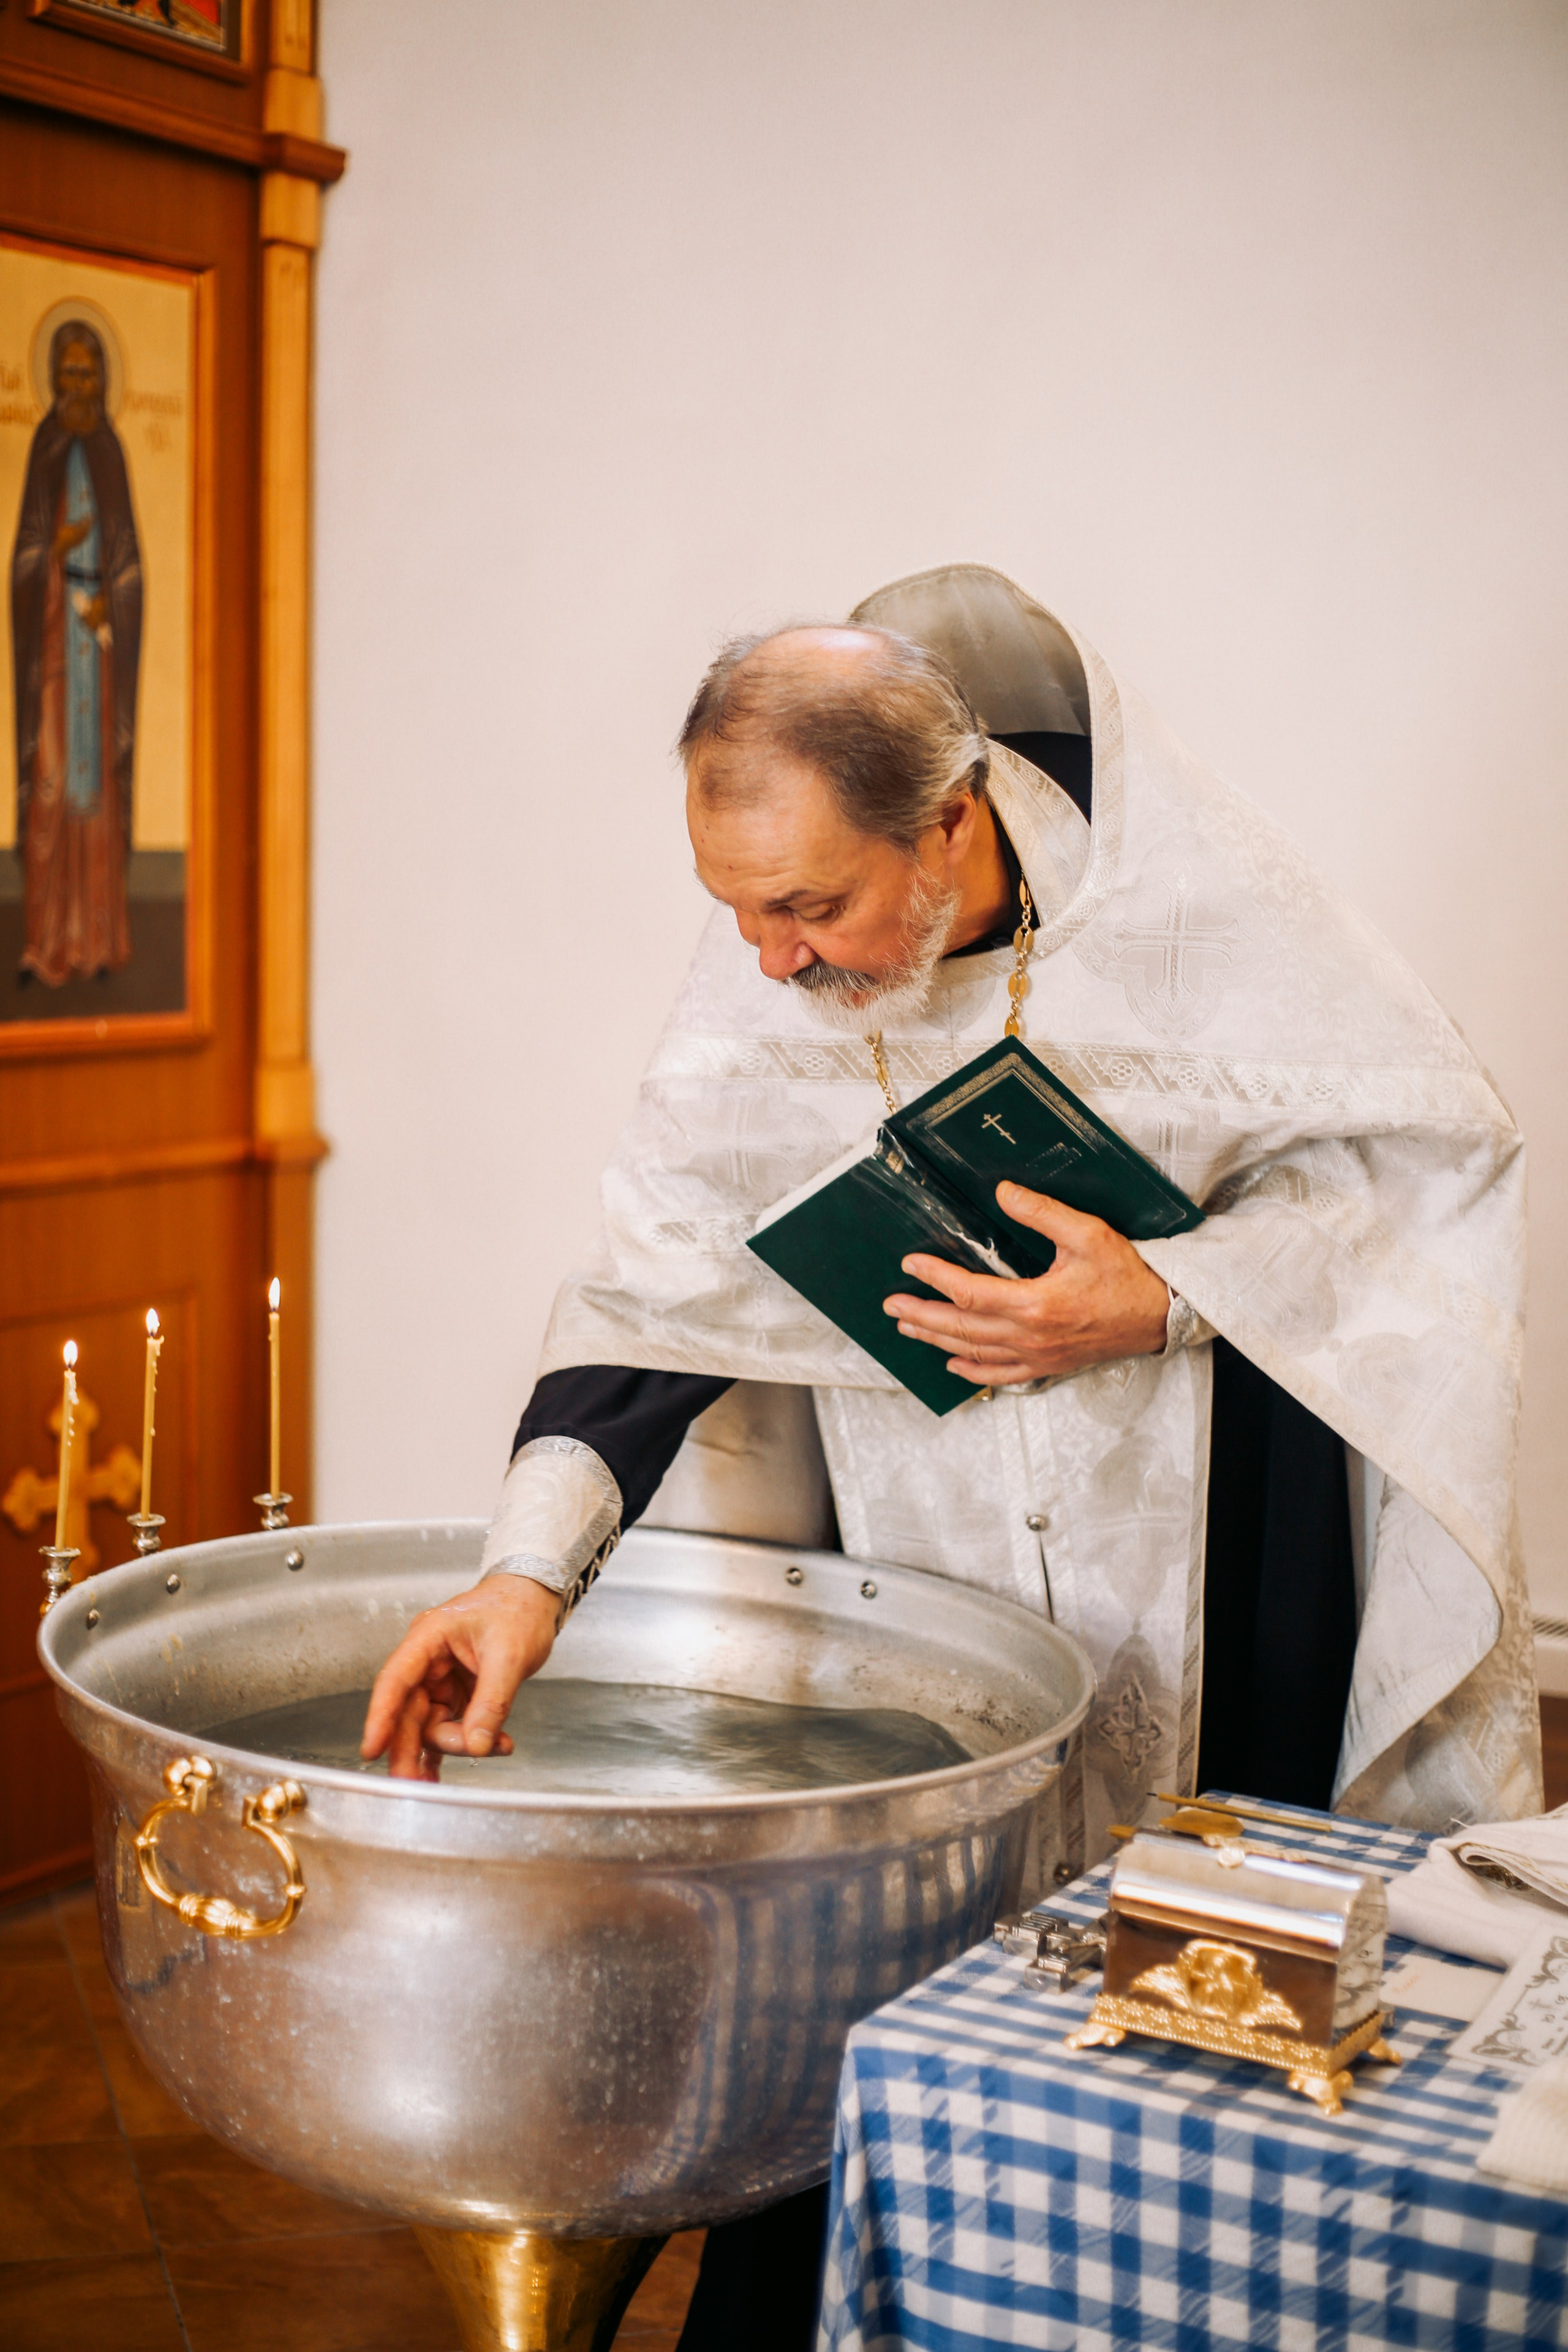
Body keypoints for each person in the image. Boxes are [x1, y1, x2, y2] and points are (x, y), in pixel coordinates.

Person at [363, 564, 1539, 2345]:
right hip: (922, 1601)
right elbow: (655, 1284)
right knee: (882, 2046)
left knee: (1198, 2052)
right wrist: (522, 1573)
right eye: (736, 909)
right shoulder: (767, 977)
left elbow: (1417, 1169)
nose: (769, 959)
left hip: (1222, 1581)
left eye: (812, 904)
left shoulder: (1199, 918)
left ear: (952, 818)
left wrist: (1159, 1293)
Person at [10, 318, 142, 986]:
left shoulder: (112, 452)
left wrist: (110, 607)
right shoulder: (46, 445)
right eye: (67, 374)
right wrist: (57, 552)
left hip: (101, 645)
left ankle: (94, 945)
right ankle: (44, 946)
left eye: (88, 374)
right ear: (55, 381)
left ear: (103, 380)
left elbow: (129, 562)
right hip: (57, 645)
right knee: (54, 787)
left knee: (95, 791)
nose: (77, 385)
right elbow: (25, 557)